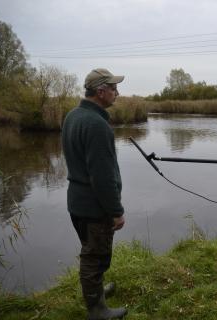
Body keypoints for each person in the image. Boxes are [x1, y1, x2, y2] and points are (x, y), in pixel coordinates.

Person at [62, 68, 127, 319]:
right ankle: (97, 310)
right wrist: (116, 211)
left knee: (92, 249)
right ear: (100, 92)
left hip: (76, 202)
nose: (117, 93)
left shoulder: (72, 116)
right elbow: (102, 177)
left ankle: (97, 292)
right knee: (95, 257)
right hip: (93, 206)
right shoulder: (97, 125)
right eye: (113, 88)